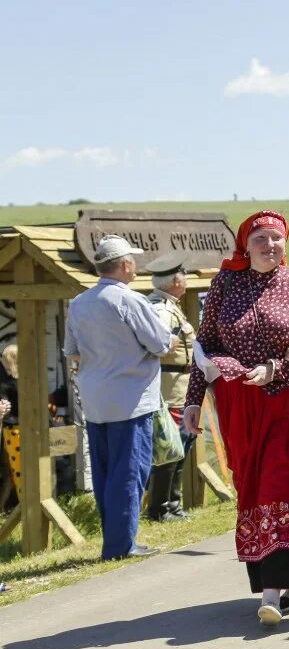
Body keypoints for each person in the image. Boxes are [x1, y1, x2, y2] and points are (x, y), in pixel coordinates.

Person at [183, 212, 289, 626]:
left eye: (276, 238)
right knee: (253, 490)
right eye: (260, 238)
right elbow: (205, 346)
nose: (270, 245)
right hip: (241, 411)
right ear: (245, 244)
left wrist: (277, 369)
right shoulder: (225, 284)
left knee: (280, 486)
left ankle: (272, 592)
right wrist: (194, 400)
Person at [65, 235, 174, 560]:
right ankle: (121, 544)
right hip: (131, 397)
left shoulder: (79, 302)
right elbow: (160, 343)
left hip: (96, 398)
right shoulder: (130, 301)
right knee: (130, 470)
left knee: (105, 472)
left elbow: (72, 351)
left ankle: (114, 539)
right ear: (125, 265)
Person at [145, 254, 196, 522]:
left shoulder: (168, 306)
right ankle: (162, 508)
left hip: (178, 387)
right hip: (170, 390)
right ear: (176, 280)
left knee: (180, 446)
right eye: (184, 276)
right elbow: (157, 348)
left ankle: (172, 505)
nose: (185, 280)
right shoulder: (161, 310)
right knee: (170, 449)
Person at [1, 345, 22, 509]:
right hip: (27, 430)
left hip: (12, 432)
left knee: (12, 473)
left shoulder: (6, 385)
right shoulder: (30, 382)